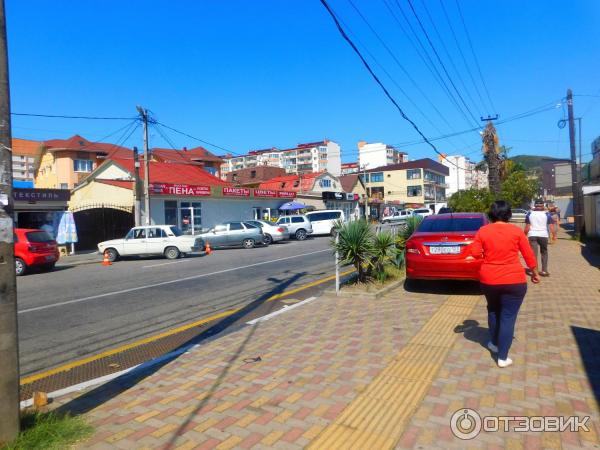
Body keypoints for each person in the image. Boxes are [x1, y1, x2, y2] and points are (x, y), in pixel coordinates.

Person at [469, 201, 539, 368]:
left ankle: (493, 343)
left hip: (489, 280)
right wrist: (535, 274)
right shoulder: (516, 231)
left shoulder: (483, 231)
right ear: (509, 214)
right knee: (508, 317)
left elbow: (474, 253)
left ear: (491, 215)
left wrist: (486, 257)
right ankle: (502, 357)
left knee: (493, 310)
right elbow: (528, 255)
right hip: (514, 280)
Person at [525, 200, 554, 276]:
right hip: (543, 235)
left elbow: (527, 227)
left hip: (532, 234)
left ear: (535, 205)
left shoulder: (529, 213)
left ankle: (534, 271)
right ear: (542, 205)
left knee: (534, 254)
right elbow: (551, 226)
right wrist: (553, 236)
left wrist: (524, 235)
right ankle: (544, 271)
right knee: (544, 252)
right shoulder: (547, 214)